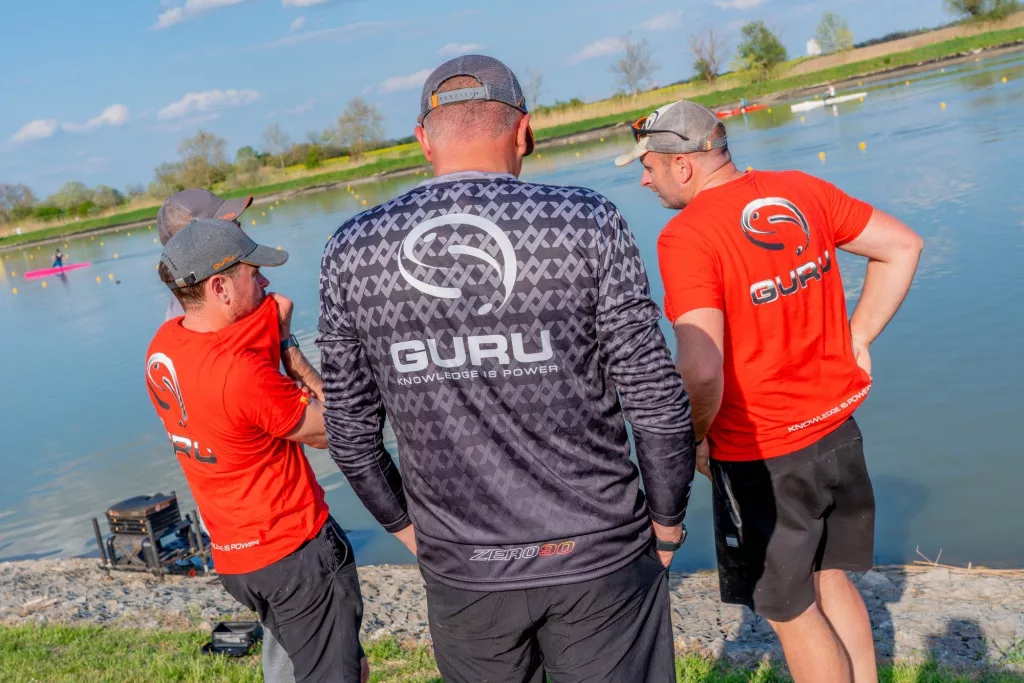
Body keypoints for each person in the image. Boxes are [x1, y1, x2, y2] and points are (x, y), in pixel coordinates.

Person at [318, 55, 697, 683]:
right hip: (599, 552)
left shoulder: (351, 249)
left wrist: (411, 532)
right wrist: (667, 522)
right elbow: (655, 398)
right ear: (524, 131)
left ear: (423, 140)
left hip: (464, 568)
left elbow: (351, 435)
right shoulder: (585, 219)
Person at [616, 100, 923, 683]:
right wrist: (858, 337)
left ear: (683, 165)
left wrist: (693, 440)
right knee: (829, 578)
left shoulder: (687, 235)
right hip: (837, 429)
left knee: (789, 611)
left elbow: (700, 369)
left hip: (763, 451)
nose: (645, 180)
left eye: (649, 167)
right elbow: (902, 246)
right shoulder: (801, 189)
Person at [146, 218, 368, 683]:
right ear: (221, 287)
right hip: (295, 553)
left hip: (237, 559)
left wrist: (267, 335)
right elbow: (337, 430)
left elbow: (232, 373)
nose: (266, 282)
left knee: (334, 667)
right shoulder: (241, 374)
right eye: (254, 273)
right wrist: (289, 347)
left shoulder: (163, 348)